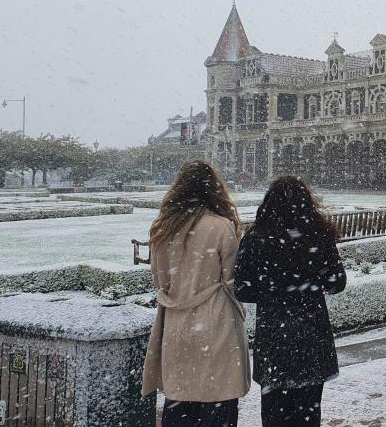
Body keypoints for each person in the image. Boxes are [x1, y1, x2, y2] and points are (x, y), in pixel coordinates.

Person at [142, 160, 251, 427]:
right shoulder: (221, 226)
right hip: (216, 322)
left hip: (176, 323)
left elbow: (159, 278)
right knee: (218, 399)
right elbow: (232, 279)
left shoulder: (163, 228)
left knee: (180, 398)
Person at [234, 175, 347, 426]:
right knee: (308, 412)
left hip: (274, 335)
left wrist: (272, 292)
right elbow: (337, 282)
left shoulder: (256, 238)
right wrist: (308, 287)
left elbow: (242, 289)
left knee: (274, 413)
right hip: (311, 333)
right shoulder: (319, 235)